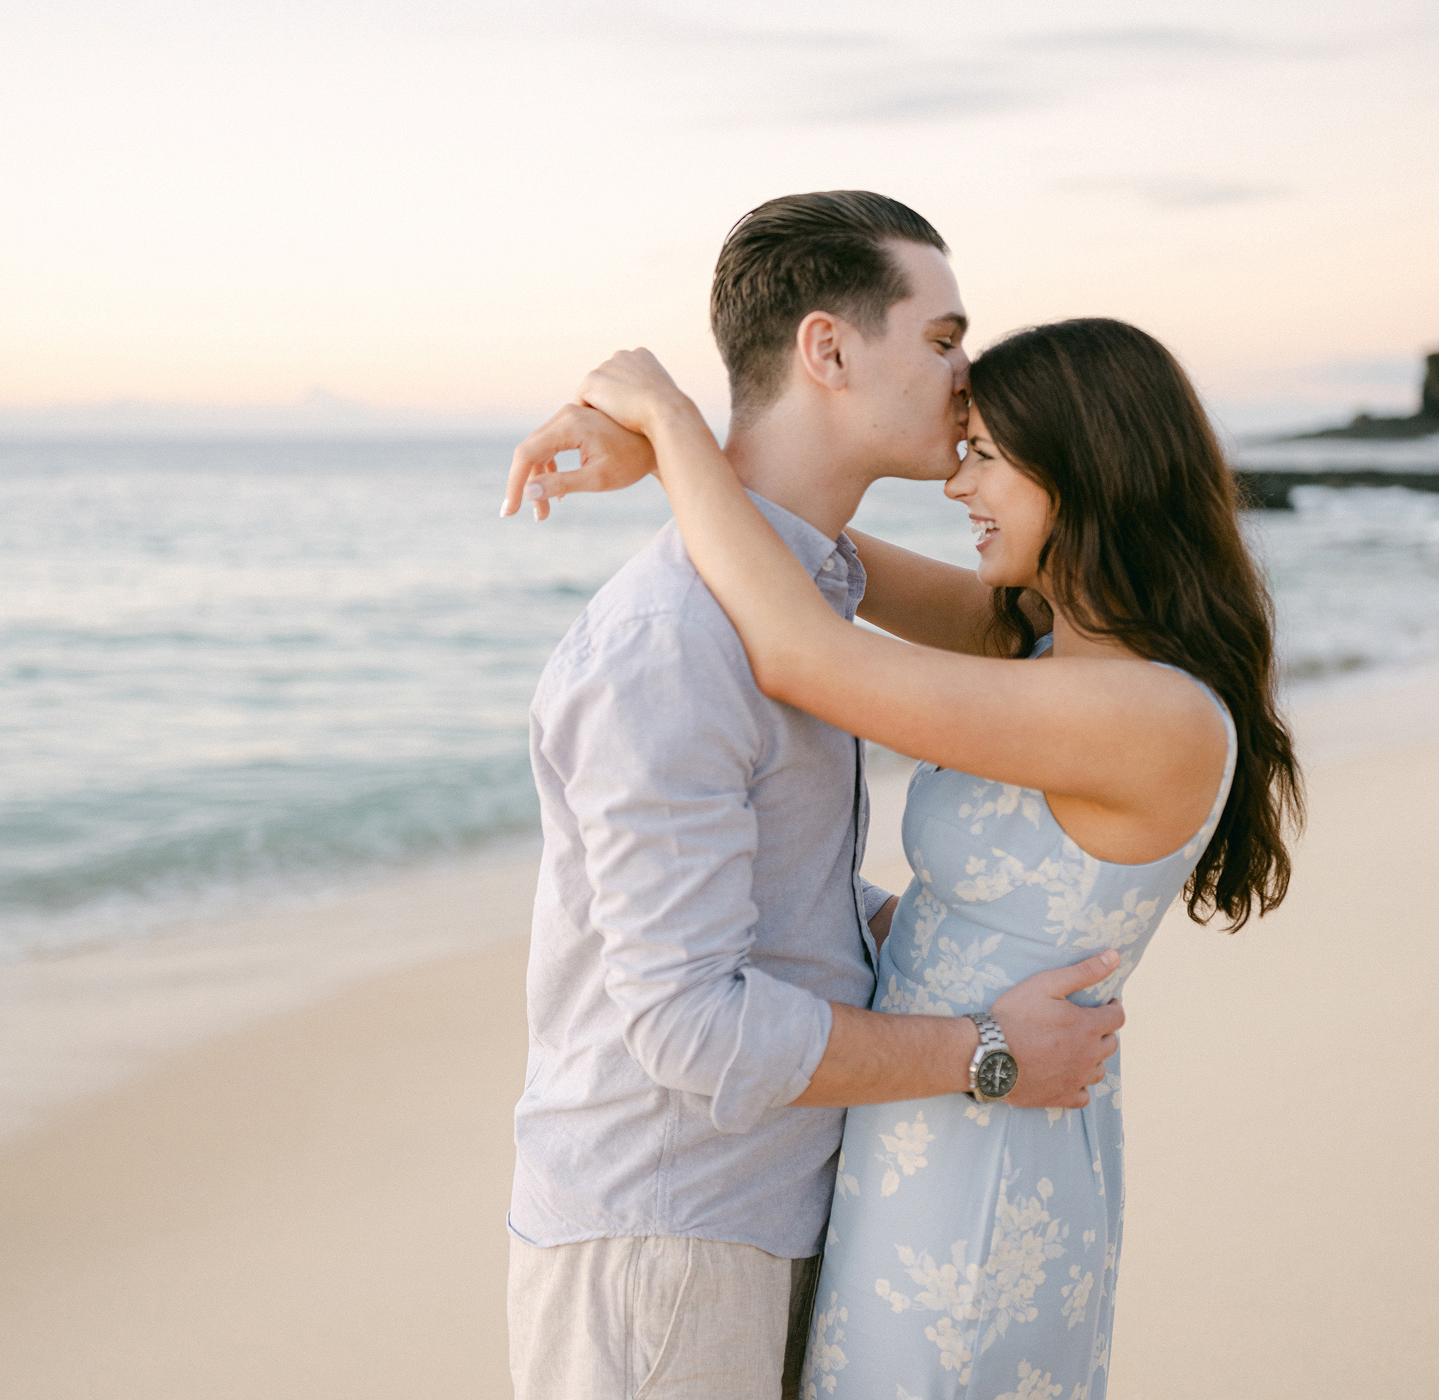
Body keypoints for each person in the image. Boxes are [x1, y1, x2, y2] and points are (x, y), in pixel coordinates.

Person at [521, 317, 1303, 1398]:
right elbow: (804, 548)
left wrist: (670, 417)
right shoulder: (1039, 642)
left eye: (986, 454)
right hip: (923, 1113)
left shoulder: (1144, 710)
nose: (956, 482)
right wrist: (677, 465)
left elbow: (804, 648)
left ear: (1083, 467)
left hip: (981, 1152)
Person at [497, 192, 1126, 1400]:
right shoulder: (673, 641)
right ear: (828, 349)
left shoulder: (804, 593)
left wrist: (894, 924)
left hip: (774, 1206)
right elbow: (686, 1023)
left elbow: (772, 893)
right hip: (670, 1234)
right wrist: (985, 1052)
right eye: (942, 341)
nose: (966, 380)